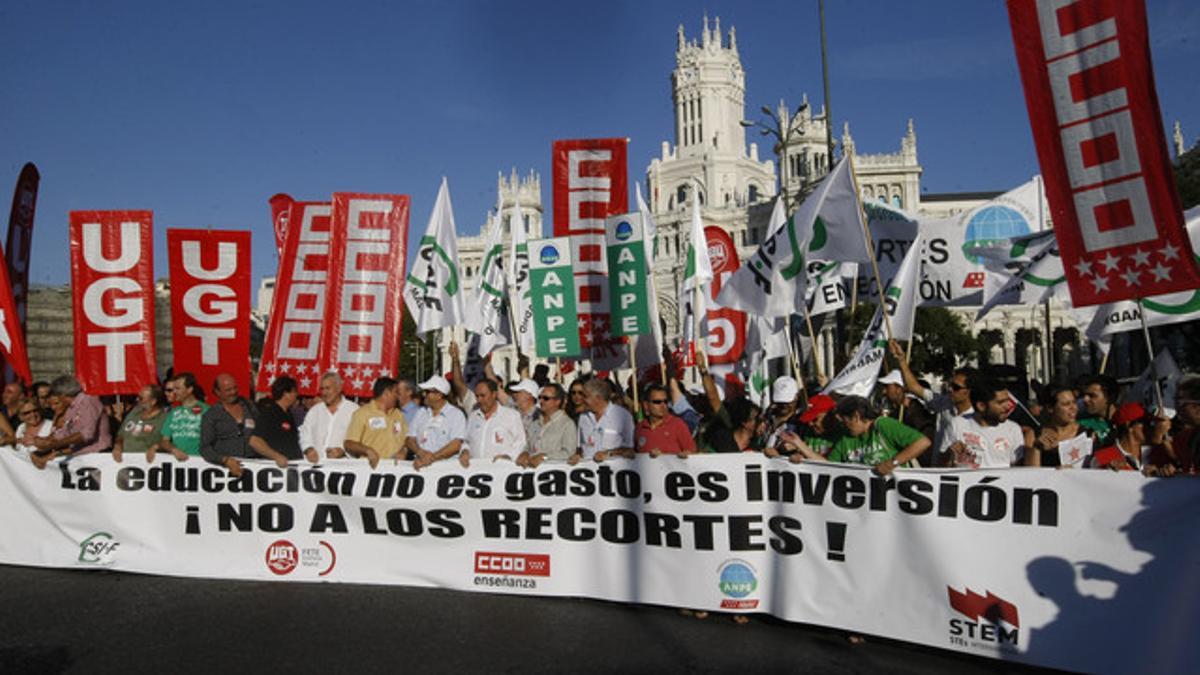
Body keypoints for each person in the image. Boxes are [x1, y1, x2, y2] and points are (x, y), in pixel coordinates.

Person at [790, 396, 929, 475]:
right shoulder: (846, 438)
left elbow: (923, 442)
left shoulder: (883, 426)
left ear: (856, 417)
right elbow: (829, 465)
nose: (843, 426)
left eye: (844, 422)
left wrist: (892, 463)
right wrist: (801, 446)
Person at [889, 340, 974, 454]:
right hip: (938, 468)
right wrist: (901, 360)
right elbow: (913, 387)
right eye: (950, 385)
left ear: (969, 391)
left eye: (956, 387)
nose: (950, 389)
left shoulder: (979, 416)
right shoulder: (942, 403)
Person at [937, 379, 1028, 468]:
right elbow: (941, 465)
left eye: (1008, 401)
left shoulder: (1013, 429)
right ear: (981, 406)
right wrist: (950, 454)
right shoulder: (957, 424)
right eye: (1000, 403)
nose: (1008, 406)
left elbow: (1017, 470)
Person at [31, 375, 112, 469]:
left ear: (62, 395)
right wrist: (46, 440)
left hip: (97, 456)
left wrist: (53, 444)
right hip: (80, 456)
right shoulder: (71, 408)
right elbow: (65, 432)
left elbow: (86, 434)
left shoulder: (88, 401)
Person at [694, 355, 761, 454]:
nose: (762, 423)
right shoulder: (722, 436)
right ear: (745, 423)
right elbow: (713, 397)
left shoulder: (760, 442)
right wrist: (703, 370)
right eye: (757, 419)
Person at [199, 373, 258, 476]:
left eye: (235, 388)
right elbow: (205, 448)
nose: (233, 392)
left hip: (255, 468)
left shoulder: (249, 406)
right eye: (228, 390)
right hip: (227, 472)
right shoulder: (211, 415)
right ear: (218, 392)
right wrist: (225, 460)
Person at [462, 379, 526, 467]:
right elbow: (466, 441)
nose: (479, 400)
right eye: (477, 396)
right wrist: (465, 451)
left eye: (483, 396)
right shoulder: (473, 416)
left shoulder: (511, 415)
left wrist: (509, 456)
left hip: (500, 470)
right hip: (475, 470)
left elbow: (520, 442)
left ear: (494, 394)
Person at [407, 375, 466, 469]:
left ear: (439, 395)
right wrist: (421, 453)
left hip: (445, 469)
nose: (424, 395)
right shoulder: (421, 412)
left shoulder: (456, 415)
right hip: (419, 466)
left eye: (427, 392)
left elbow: (456, 445)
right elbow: (410, 439)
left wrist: (432, 458)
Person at [299, 372, 359, 463]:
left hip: (342, 467)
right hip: (315, 466)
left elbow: (359, 439)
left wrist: (343, 452)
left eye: (328, 388)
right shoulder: (314, 411)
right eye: (322, 389)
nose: (324, 393)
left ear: (339, 389)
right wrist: (308, 449)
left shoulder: (354, 410)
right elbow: (304, 434)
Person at [576, 378, 635, 463]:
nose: (582, 399)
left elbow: (631, 450)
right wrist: (577, 456)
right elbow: (580, 448)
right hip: (588, 473)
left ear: (598, 398)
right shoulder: (583, 417)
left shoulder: (623, 416)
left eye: (586, 396)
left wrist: (609, 454)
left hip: (614, 472)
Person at [517, 384, 577, 468]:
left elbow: (569, 453)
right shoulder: (535, 422)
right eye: (539, 397)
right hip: (531, 473)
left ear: (557, 401)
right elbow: (528, 445)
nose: (541, 401)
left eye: (546, 398)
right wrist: (525, 453)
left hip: (554, 474)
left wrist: (545, 457)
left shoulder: (567, 424)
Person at [248, 376, 303, 468]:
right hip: (275, 472)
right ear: (286, 393)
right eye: (294, 391)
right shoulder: (270, 413)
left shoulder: (288, 414)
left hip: (290, 471)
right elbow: (254, 441)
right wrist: (276, 456)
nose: (297, 394)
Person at [1025, 385, 1083, 467]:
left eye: (1074, 402)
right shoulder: (1033, 435)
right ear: (1050, 408)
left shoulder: (1087, 434)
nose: (1073, 408)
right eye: (1066, 404)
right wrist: (1036, 448)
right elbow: (1030, 474)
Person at [155, 373, 207, 462]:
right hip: (178, 465)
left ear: (189, 389)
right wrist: (173, 450)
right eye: (173, 389)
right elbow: (164, 441)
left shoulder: (207, 410)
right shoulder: (173, 412)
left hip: (200, 464)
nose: (174, 392)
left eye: (178, 388)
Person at [636, 383, 696, 457]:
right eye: (657, 402)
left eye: (665, 402)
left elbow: (692, 453)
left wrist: (684, 455)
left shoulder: (678, 424)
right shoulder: (639, 428)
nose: (663, 405)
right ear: (646, 405)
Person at [112, 384, 168, 463]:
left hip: (147, 463)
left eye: (141, 398)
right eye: (137, 396)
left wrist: (156, 447)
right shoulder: (134, 412)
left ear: (153, 401)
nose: (137, 400)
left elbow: (168, 442)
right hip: (125, 460)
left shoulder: (164, 418)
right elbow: (120, 435)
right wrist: (117, 446)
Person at [1091, 402, 1152, 471]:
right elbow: (1093, 474)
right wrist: (1107, 469)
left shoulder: (1152, 454)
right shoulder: (1105, 456)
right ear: (1128, 425)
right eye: (1146, 422)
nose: (1150, 427)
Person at [784, 394, 839, 463]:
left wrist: (801, 446)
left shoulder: (841, 436)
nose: (810, 424)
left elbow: (832, 467)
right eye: (809, 420)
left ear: (829, 416)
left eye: (815, 419)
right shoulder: (808, 431)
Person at [1078, 374, 1119, 447]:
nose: (1085, 399)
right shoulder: (1081, 425)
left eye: (1092, 395)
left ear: (1109, 397)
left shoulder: (1126, 422)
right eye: (1084, 395)